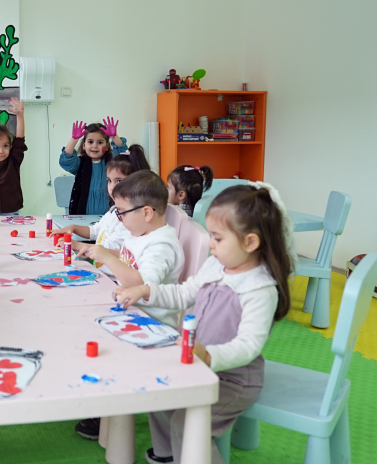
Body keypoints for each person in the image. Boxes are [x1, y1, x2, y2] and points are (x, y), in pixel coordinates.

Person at [113, 183, 295, 464]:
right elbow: (183, 293)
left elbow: (249, 345)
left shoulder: (259, 289)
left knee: (186, 425)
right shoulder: (215, 266)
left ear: (250, 242)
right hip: (196, 361)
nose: (211, 244)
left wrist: (208, 356)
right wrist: (146, 290)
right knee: (157, 394)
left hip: (234, 379)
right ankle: (167, 455)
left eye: (218, 238)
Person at [72, 170, 185, 441]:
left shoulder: (161, 246)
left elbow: (142, 286)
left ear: (146, 213)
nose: (118, 218)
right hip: (131, 310)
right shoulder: (142, 233)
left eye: (121, 212)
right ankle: (105, 404)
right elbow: (125, 257)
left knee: (92, 337)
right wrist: (92, 249)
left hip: (152, 323)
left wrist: (108, 259)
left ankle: (110, 407)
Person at [51, 148, 150, 265]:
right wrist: (73, 227)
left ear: (138, 183)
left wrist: (78, 245)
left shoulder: (132, 218)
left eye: (119, 181)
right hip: (100, 268)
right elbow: (96, 230)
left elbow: (113, 249)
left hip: (113, 273)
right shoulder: (114, 210)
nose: (111, 187)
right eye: (109, 181)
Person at [60, 118, 146, 215]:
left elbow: (124, 155)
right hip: (83, 216)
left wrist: (114, 136)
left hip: (110, 216)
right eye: (90, 142)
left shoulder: (113, 162)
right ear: (84, 145)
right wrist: (74, 139)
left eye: (100, 142)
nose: (95, 146)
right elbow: (66, 160)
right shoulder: (81, 163)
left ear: (108, 146)